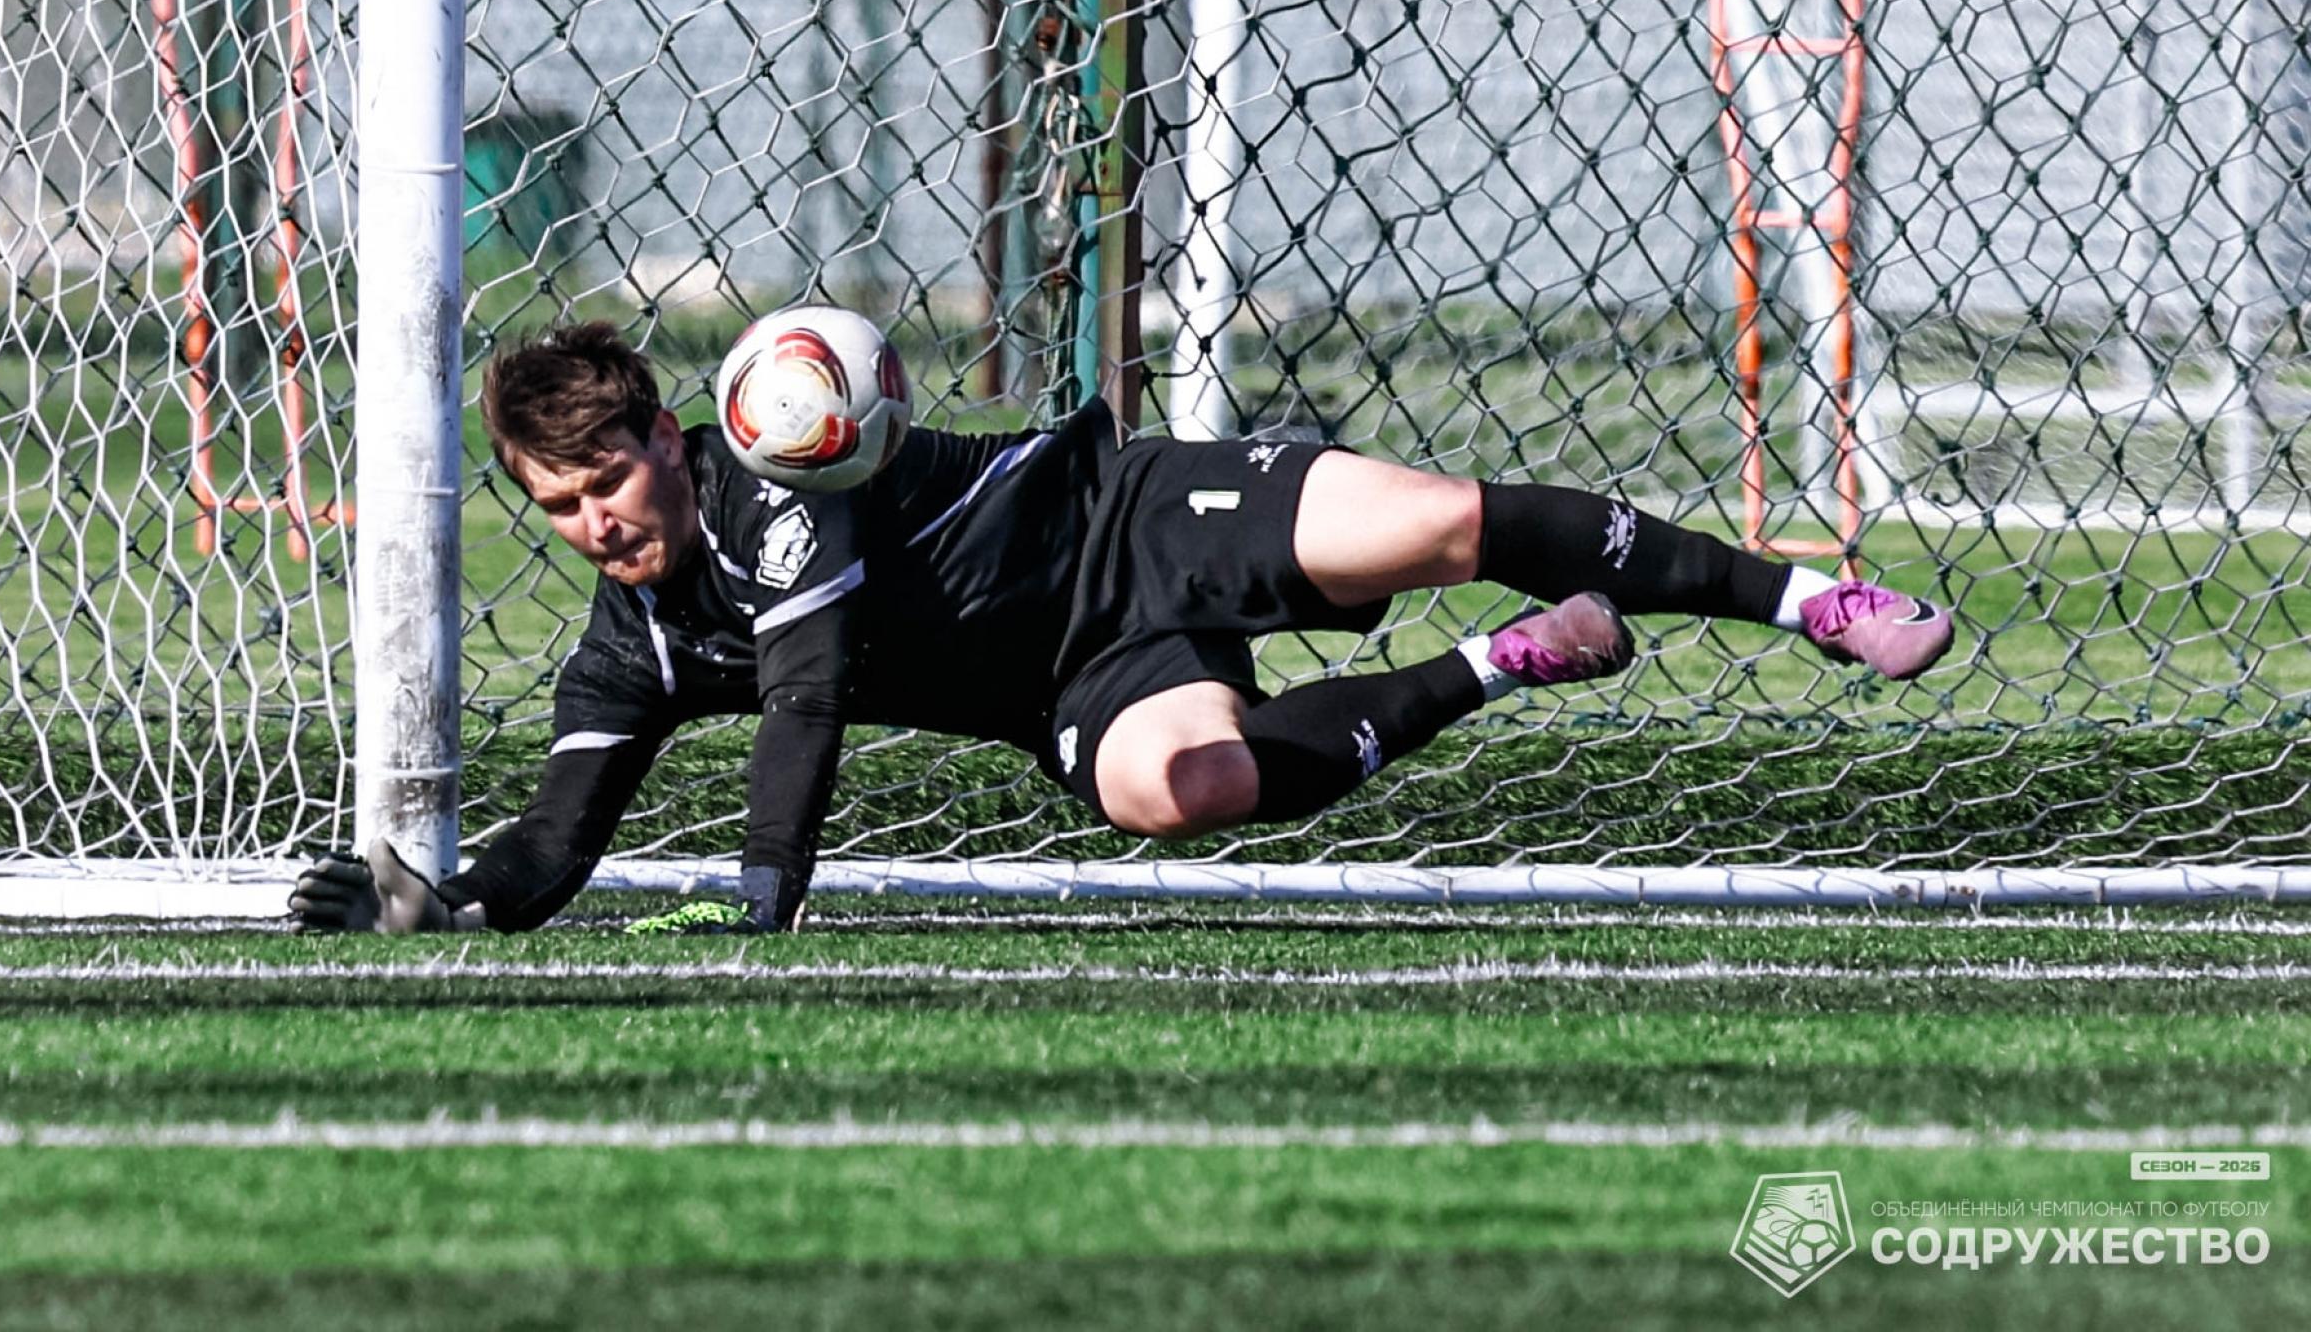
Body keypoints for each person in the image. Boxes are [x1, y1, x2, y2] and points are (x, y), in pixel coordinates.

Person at [288, 321, 1953, 935]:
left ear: (671, 436)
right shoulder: (632, 647)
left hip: (1131, 514)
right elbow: (559, 841)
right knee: (1184, 793)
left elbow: (805, 706)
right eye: (560, 507)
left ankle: (1810, 597)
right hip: (1079, 677)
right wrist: (442, 898)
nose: (596, 522)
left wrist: (765, 900)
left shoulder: (774, 486)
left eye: (609, 482)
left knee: (1437, 523)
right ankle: (1502, 663)